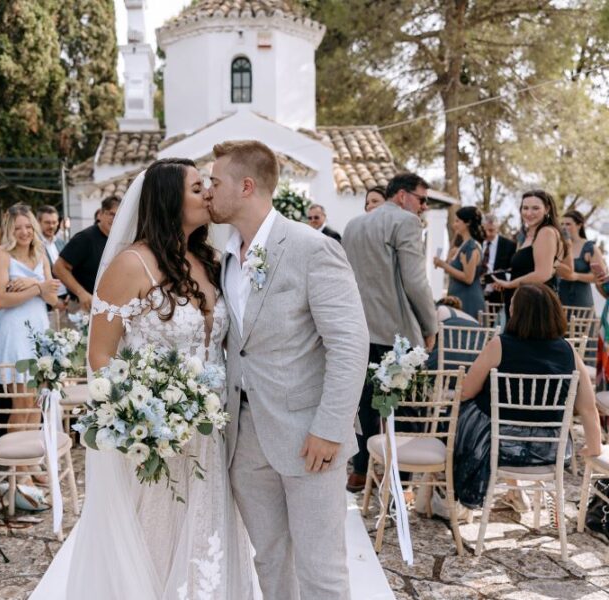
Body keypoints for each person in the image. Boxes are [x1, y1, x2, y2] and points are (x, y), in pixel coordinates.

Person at [31, 159, 256, 599]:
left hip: (212, 431)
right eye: (197, 188)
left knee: (207, 538)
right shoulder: (131, 265)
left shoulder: (210, 261)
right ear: (169, 199)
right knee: (157, 536)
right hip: (158, 435)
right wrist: (145, 416)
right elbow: (100, 355)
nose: (208, 194)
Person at [211, 140, 369, 600]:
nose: (208, 191)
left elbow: (349, 343)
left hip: (309, 436)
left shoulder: (311, 248)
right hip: (244, 436)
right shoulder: (225, 256)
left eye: (215, 182)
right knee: (270, 559)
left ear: (246, 186)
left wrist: (330, 428)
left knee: (321, 569)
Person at [453, 283, 602, 510]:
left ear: (517, 312)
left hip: (498, 445)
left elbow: (466, 391)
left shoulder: (499, 345)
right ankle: (515, 491)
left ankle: (454, 496)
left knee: (468, 409)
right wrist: (594, 447)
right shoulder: (568, 351)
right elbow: (588, 407)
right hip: (548, 450)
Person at [341, 172, 437, 492]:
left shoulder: (354, 225)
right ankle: (401, 481)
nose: (424, 206)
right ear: (402, 196)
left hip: (359, 328)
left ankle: (361, 471)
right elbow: (415, 281)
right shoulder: (406, 221)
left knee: (366, 404)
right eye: (422, 199)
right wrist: (430, 325)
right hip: (397, 331)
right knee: (404, 406)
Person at [0, 204, 60, 436]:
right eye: (18, 228)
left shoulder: (40, 255)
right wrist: (37, 288)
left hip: (39, 330)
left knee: (37, 401)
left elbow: (53, 298)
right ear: (9, 230)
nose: (24, 232)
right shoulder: (1, 255)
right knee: (22, 402)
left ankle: (32, 453)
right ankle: (17, 457)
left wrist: (34, 283)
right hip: (16, 332)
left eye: (28, 227)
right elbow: (0, 299)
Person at [493, 190, 565, 315]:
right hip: (522, 300)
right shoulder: (528, 234)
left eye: (535, 208)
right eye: (525, 208)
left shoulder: (546, 232)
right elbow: (527, 268)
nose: (529, 213)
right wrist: (505, 278)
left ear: (547, 209)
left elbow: (543, 274)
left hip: (534, 303)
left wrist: (510, 284)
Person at [54, 196, 119, 312]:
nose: (114, 219)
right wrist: (81, 293)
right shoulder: (85, 238)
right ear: (100, 214)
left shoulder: (118, 240)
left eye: (118, 215)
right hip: (82, 307)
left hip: (107, 307)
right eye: (111, 214)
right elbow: (58, 267)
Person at [433, 206, 486, 319]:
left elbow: (468, 278)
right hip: (458, 298)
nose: (454, 224)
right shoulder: (463, 245)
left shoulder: (471, 247)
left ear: (468, 223)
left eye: (457, 221)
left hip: (467, 301)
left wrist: (443, 265)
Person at [557, 210, 602, 309]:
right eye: (562, 224)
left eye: (568, 224)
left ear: (579, 225)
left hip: (581, 302)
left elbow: (599, 277)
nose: (564, 227)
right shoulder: (559, 245)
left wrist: (576, 276)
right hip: (558, 300)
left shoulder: (590, 248)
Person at [481, 213, 516, 304]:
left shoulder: (509, 245)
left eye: (491, 230)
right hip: (477, 293)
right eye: (485, 230)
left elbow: (513, 269)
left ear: (497, 228)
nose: (488, 233)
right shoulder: (477, 243)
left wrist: (503, 281)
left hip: (499, 294)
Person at [36, 205, 68, 304]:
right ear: (38, 222)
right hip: (45, 300)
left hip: (65, 297)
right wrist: (55, 303)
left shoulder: (61, 243)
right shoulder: (33, 246)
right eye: (47, 222)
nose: (51, 226)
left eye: (54, 222)